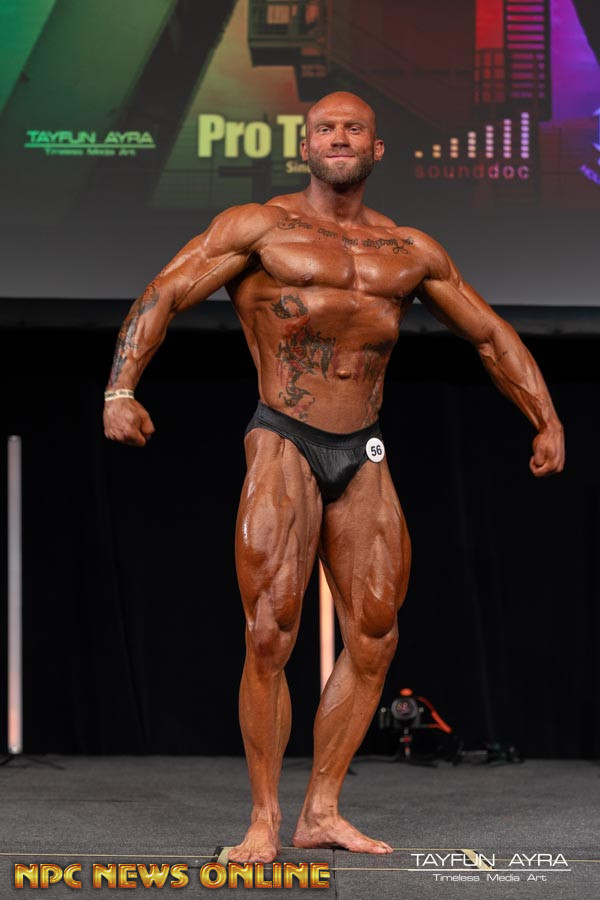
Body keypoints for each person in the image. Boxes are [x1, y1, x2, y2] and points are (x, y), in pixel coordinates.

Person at [103, 92, 564, 863]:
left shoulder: (409, 249)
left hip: (365, 448)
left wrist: (545, 417)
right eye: (326, 128)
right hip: (284, 434)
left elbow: (489, 335)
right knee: (270, 631)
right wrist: (120, 390)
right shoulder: (260, 228)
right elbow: (165, 292)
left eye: (354, 129)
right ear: (306, 146)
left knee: (376, 635)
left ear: (376, 150)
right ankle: (263, 819)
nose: (339, 138)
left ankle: (321, 809)